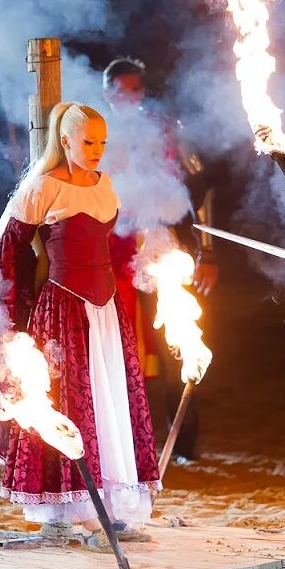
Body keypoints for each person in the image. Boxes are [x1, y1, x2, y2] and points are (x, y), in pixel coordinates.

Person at [0, 101, 161, 548]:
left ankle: (108, 509)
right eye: (89, 141)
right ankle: (69, 516)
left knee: (108, 401)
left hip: (105, 311)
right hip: (63, 311)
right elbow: (10, 252)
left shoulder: (106, 186)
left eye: (102, 142)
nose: (97, 150)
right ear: (65, 141)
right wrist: (10, 314)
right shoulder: (43, 188)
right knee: (72, 403)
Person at [101, 56, 220, 463]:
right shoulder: (92, 133)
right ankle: (129, 444)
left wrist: (207, 251)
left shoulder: (167, 129)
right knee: (118, 347)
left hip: (163, 242)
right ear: (106, 92)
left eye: (135, 90)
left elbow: (201, 190)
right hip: (113, 253)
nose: (128, 97)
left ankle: (182, 441)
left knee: (177, 337)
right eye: (120, 90)